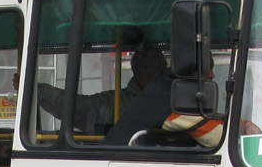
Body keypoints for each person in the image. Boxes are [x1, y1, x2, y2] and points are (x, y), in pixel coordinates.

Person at [38, 45, 168, 135]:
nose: (155, 74)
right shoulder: (116, 102)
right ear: (137, 70)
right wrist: (39, 92)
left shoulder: (176, 99)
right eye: (147, 67)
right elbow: (80, 108)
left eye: (160, 68)